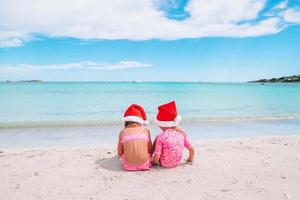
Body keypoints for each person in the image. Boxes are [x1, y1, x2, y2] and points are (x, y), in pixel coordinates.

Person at [152, 101, 195, 168]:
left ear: (161, 124)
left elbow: (157, 155)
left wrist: (154, 163)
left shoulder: (160, 137)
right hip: (177, 162)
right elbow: (192, 150)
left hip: (164, 164)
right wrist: (190, 159)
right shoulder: (182, 134)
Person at [117, 104, 152, 171]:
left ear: (126, 121)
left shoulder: (123, 132)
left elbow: (119, 153)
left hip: (128, 165)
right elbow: (150, 150)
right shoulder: (145, 130)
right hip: (144, 164)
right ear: (140, 121)